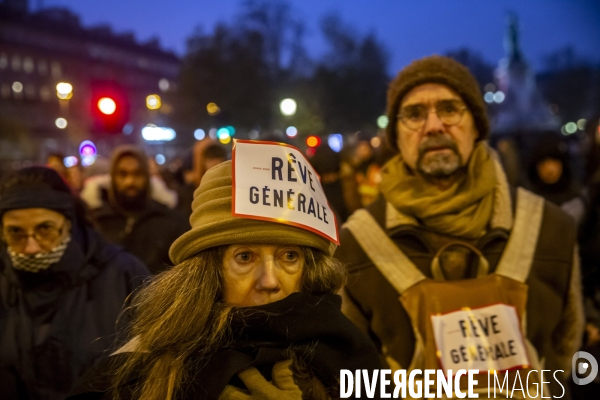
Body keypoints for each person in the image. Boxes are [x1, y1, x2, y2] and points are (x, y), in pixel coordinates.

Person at [335, 55, 583, 397]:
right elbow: (353, 369)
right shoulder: (356, 243)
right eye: (414, 114)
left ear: (477, 125)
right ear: (396, 135)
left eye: (450, 109)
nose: (434, 125)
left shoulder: (551, 227)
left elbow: (564, 347)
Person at [69, 157, 382, 400]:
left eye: (289, 256)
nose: (270, 281)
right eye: (245, 257)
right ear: (208, 271)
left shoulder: (348, 354)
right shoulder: (146, 368)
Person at [0, 167, 149, 400]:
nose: (31, 247)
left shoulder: (123, 275)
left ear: (69, 223)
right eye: (15, 233)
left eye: (45, 229)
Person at [87, 145, 189, 274]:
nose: (130, 181)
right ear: (112, 178)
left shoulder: (171, 220)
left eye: (137, 174)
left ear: (147, 177)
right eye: (122, 174)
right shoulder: (96, 222)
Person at [526, 131, 584, 224]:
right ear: (535, 166)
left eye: (554, 161)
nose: (549, 169)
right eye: (543, 163)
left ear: (563, 164)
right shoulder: (526, 202)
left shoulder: (578, 201)